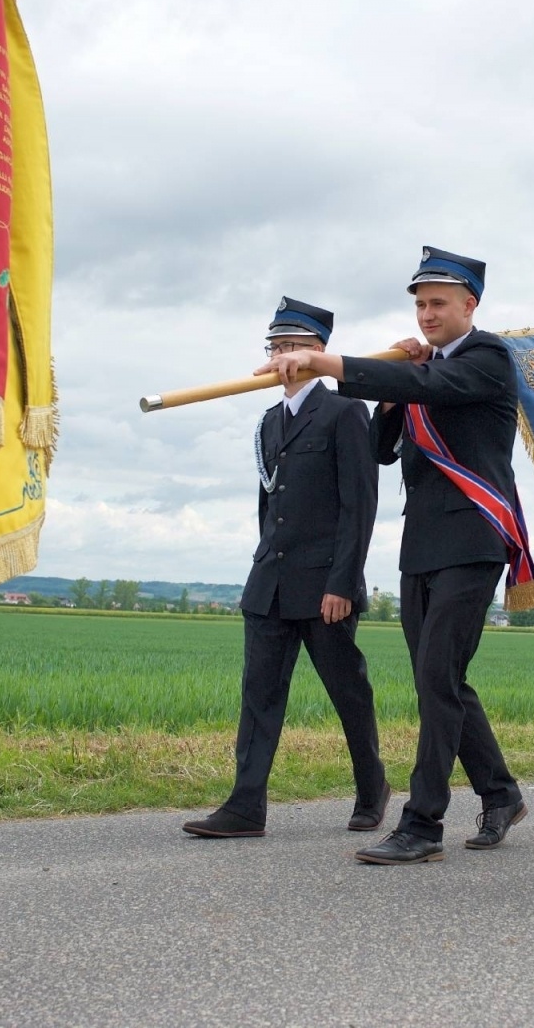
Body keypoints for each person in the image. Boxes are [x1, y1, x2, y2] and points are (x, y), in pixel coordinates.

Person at [259, 247, 531, 865]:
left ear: (470, 305)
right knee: (441, 678)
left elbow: (431, 385)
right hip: (422, 547)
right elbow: (384, 447)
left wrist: (330, 362)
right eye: (420, 304)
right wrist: (388, 394)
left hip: (472, 542)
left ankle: (423, 822)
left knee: (437, 676)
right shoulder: (420, 371)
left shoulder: (486, 358)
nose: (427, 313)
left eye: (438, 302)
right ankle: (500, 791)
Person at [182, 299, 387, 839]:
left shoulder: (346, 413)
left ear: (318, 353)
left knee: (348, 692)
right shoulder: (270, 421)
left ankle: (373, 788)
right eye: (272, 347)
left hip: (324, 588)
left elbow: (359, 505)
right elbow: (268, 506)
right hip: (269, 584)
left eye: (289, 346)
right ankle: (245, 807)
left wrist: (343, 582)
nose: (279, 357)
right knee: (260, 697)